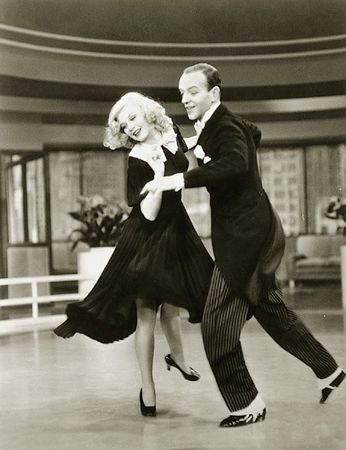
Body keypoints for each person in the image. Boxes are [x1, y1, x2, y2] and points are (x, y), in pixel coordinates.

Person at [141, 63, 345, 427]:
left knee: (216, 321)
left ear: (214, 94)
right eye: (182, 92)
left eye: (193, 91)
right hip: (258, 230)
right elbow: (255, 131)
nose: (185, 98)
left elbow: (234, 162)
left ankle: (246, 403)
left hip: (247, 237)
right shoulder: (220, 125)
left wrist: (179, 180)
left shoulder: (223, 125)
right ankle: (329, 371)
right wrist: (198, 147)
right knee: (270, 309)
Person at [54, 92, 214, 417]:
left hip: (177, 230)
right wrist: (157, 178)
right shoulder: (138, 159)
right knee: (147, 314)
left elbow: (186, 162)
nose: (130, 127)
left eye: (132, 118)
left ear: (146, 112)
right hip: (146, 237)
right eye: (123, 125)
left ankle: (179, 358)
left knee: (172, 305)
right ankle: (148, 387)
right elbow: (150, 214)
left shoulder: (170, 131)